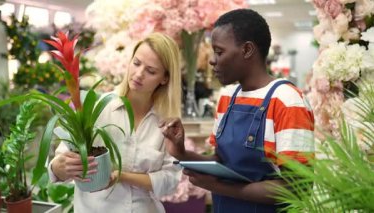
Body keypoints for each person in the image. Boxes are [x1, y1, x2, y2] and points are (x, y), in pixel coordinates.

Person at [160, 9, 314, 212]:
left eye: (219, 51)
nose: (212, 60)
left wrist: (219, 187)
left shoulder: (287, 100)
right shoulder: (228, 97)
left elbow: (297, 188)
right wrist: (181, 151)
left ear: (247, 50)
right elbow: (221, 162)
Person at [49, 33, 182, 213]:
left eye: (151, 71)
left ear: (165, 78)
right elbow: (61, 160)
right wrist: (59, 167)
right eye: (136, 63)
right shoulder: (97, 107)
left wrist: (121, 176)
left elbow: (170, 181)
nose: (139, 74)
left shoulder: (167, 124)